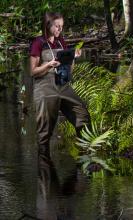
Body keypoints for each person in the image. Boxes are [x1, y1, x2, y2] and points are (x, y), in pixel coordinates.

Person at [29, 12, 90, 164]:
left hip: (62, 84)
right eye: (57, 26)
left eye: (62, 26)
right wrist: (49, 64)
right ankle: (44, 165)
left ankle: (86, 156)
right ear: (48, 25)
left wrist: (73, 58)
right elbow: (33, 71)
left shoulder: (61, 41)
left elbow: (70, 69)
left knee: (82, 114)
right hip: (44, 86)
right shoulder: (38, 43)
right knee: (45, 129)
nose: (60, 29)